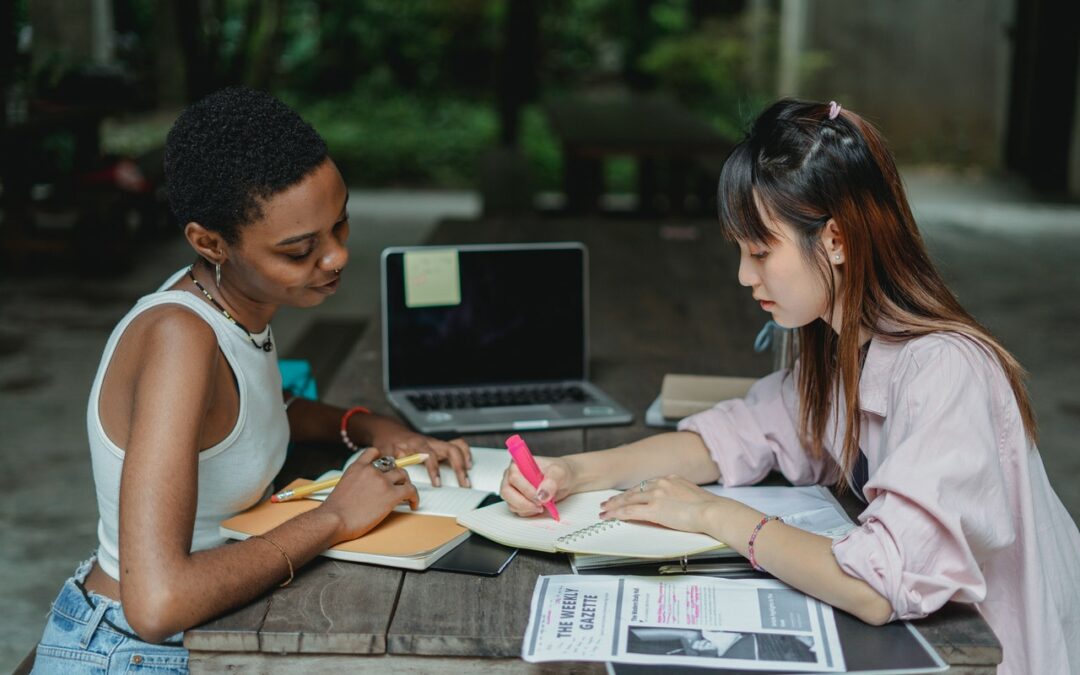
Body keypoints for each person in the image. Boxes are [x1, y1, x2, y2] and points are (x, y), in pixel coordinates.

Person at [500, 99, 1080, 675]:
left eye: (760, 251)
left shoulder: (945, 370)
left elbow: (879, 585)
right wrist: (575, 472)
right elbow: (732, 436)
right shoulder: (842, 345)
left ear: (836, 240)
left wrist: (715, 516)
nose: (745, 276)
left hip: (997, 657)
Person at [32, 87, 473, 674]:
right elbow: (158, 604)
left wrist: (368, 425)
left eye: (340, 226)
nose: (336, 258)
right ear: (210, 242)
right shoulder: (179, 340)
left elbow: (247, 416)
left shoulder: (229, 307)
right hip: (135, 652)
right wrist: (335, 518)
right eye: (299, 250)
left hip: (196, 634)